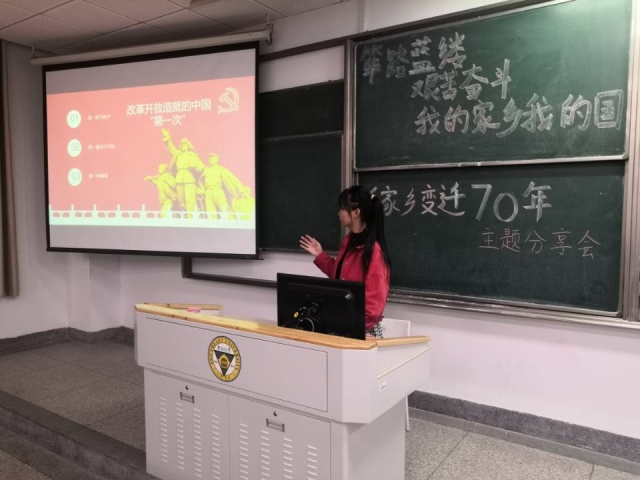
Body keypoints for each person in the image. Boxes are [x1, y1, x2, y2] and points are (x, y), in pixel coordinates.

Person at [300, 186, 392, 338]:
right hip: (344, 324)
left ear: (355, 213)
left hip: (361, 331)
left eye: (342, 208)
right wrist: (320, 255)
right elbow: (340, 277)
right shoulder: (349, 241)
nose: (339, 213)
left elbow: (374, 304)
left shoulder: (373, 251)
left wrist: (355, 329)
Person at [161, 128, 205, 216]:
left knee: (190, 199)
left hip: (189, 178)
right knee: (180, 200)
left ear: (188, 146)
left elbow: (201, 166)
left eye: (185, 144)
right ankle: (184, 216)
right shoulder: (178, 154)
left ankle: (190, 217)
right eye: (182, 145)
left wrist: (198, 168)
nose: (183, 146)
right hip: (179, 178)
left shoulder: (193, 155)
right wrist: (168, 138)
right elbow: (171, 148)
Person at [198, 153, 251, 220]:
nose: (210, 160)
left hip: (218, 191)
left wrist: (241, 188)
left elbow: (233, 178)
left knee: (224, 209)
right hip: (208, 192)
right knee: (210, 213)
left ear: (217, 160)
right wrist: (202, 189)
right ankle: (213, 225)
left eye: (212, 158)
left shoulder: (221, 169)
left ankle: (231, 222)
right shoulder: (206, 170)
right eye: (209, 159)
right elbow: (201, 180)